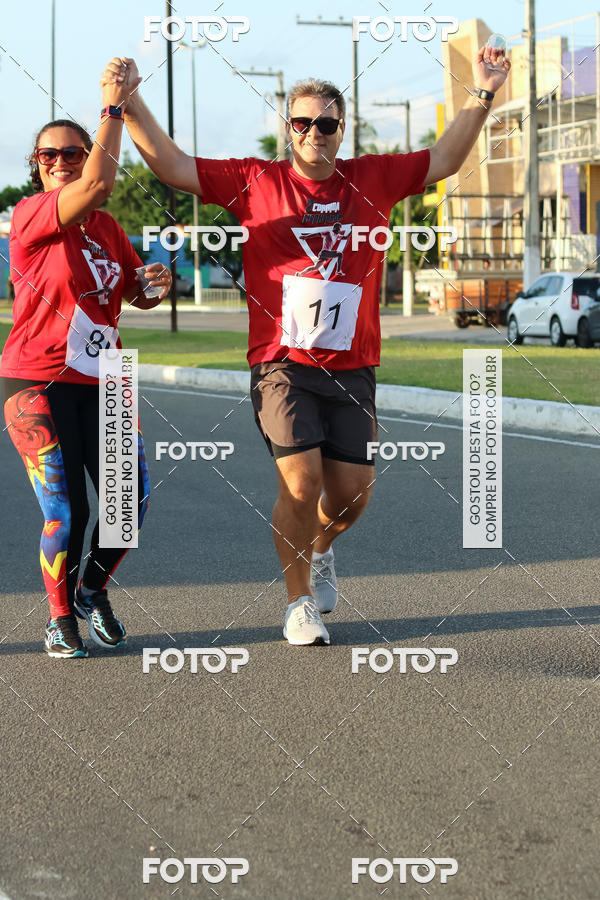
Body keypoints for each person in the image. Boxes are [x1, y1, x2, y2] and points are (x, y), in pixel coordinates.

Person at [103, 43, 510, 646]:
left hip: (354, 365)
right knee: (301, 484)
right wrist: (128, 102)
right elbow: (171, 164)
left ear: (340, 129)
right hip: (281, 363)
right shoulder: (254, 180)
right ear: (287, 129)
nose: (313, 132)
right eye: (302, 122)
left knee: (349, 499)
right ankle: (298, 605)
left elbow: (448, 157)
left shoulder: (373, 177)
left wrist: (483, 91)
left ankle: (320, 551)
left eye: (325, 123)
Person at [1, 59, 172, 658]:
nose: (63, 162)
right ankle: (57, 619)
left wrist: (154, 286)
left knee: (130, 502)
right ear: (36, 165)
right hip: (38, 379)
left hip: (105, 377)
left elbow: (133, 294)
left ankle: (90, 591)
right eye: (50, 155)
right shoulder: (29, 216)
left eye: (74, 153)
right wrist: (112, 105)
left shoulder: (107, 227)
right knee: (64, 511)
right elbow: (98, 182)